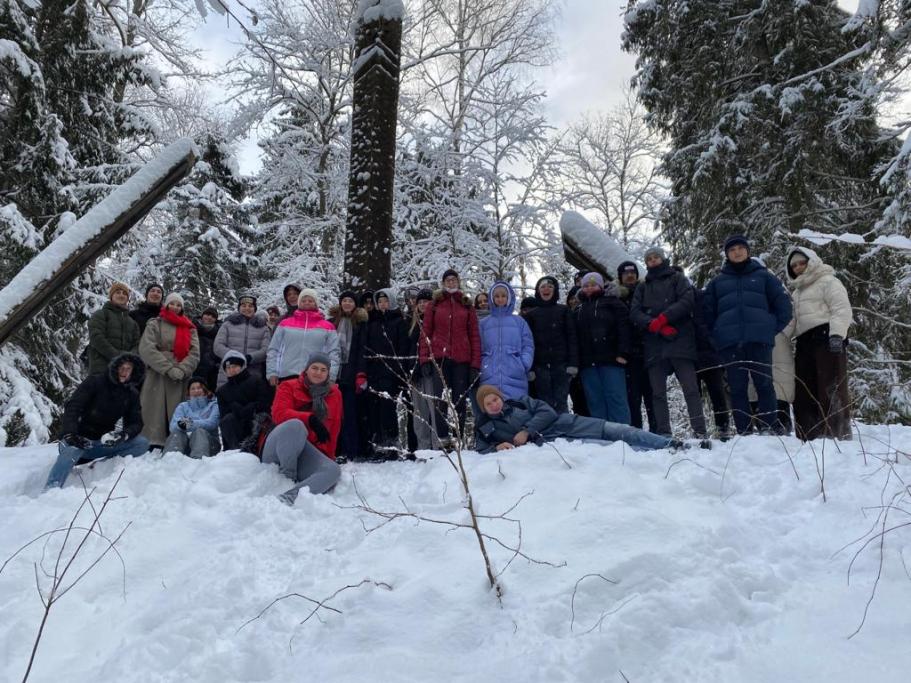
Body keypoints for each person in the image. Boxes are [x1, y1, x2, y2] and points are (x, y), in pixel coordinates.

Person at [703, 235, 793, 435]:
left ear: (747, 251)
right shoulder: (717, 282)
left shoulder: (764, 277)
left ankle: (768, 427)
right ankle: (744, 432)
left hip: (759, 341)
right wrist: (717, 337)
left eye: (740, 248)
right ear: (727, 254)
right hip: (730, 344)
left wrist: (769, 329)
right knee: (737, 389)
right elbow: (706, 315)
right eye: (732, 249)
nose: (737, 252)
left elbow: (784, 307)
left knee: (764, 385)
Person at [630, 249, 707, 439]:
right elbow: (635, 312)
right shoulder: (642, 287)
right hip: (655, 344)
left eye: (656, 257)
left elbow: (687, 300)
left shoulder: (677, 278)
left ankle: (700, 432)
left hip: (681, 340)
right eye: (649, 258)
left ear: (663, 259)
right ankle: (664, 433)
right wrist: (653, 325)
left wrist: (664, 318)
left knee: (690, 389)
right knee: (658, 393)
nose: (653, 261)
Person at [473, 385, 678, 455]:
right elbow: (480, 449)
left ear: (500, 397)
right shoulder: (485, 427)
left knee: (619, 430)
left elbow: (548, 412)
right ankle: (661, 454)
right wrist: (497, 448)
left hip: (567, 423)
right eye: (488, 404)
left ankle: (669, 444)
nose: (494, 404)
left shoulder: (520, 402)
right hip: (558, 442)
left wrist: (526, 430)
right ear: (483, 408)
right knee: (611, 447)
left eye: (495, 399)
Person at [46, 354, 149, 489]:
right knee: (71, 449)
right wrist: (70, 433)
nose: (124, 372)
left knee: (141, 443)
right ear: (115, 368)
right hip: (77, 439)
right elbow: (73, 407)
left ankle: (101, 466)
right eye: (121, 368)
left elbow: (136, 423)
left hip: (102, 444)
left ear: (133, 372)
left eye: (128, 369)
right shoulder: (95, 381)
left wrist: (123, 435)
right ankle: (51, 489)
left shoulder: (132, 394)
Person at [783, 246, 853, 440]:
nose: (798, 267)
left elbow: (841, 308)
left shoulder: (828, 281)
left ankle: (838, 435)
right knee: (805, 390)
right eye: (794, 265)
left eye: (801, 263)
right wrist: (777, 337)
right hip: (805, 342)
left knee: (831, 388)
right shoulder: (797, 293)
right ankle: (809, 437)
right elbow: (793, 322)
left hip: (827, 338)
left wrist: (837, 335)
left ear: (811, 261)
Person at [265, 353, 342, 504]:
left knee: (333, 470)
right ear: (306, 369)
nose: (318, 373)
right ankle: (285, 479)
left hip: (307, 451)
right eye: (314, 368)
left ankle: (287, 498)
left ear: (328, 373)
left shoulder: (335, 394)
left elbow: (333, 430)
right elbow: (278, 414)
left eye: (323, 370)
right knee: (296, 425)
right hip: (278, 448)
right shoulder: (288, 386)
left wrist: (327, 459)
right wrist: (309, 419)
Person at [419, 268, 482, 445]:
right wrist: (424, 359)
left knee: (459, 400)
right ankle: (443, 439)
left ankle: (459, 438)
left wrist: (475, 365)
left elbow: (475, 336)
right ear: (443, 283)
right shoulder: (435, 305)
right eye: (448, 280)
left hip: (462, 360)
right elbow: (425, 334)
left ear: (458, 282)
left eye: (454, 280)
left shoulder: (466, 304)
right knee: (441, 401)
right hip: (440, 359)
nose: (451, 283)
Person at [139, 292, 200, 448]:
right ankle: (153, 440)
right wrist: (167, 368)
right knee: (155, 408)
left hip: (180, 375)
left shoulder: (189, 327)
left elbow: (194, 353)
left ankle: (177, 438)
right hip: (158, 373)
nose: (175, 307)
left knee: (178, 407)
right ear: (166, 305)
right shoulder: (155, 324)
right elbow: (147, 348)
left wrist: (182, 369)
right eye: (172, 303)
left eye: (179, 305)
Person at [575, 272, 632, 424]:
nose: (589, 288)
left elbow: (624, 328)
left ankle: (622, 434)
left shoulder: (614, 303)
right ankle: (602, 436)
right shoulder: (580, 309)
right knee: (595, 399)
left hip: (612, 359)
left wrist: (623, 352)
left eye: (593, 285)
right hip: (588, 363)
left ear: (601, 285)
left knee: (616, 397)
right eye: (586, 286)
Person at [523, 276, 578, 414]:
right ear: (538, 291)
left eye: (550, 286)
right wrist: (530, 368)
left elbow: (572, 337)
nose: (546, 289)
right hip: (540, 366)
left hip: (562, 365)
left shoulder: (564, 311)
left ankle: (564, 432)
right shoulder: (530, 315)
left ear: (555, 290)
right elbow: (528, 343)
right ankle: (549, 434)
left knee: (561, 401)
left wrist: (573, 363)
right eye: (542, 286)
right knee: (544, 403)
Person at [363, 288, 407, 455]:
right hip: (374, 372)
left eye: (386, 301)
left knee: (388, 408)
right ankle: (379, 444)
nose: (382, 305)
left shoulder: (398, 322)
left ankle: (392, 444)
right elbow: (367, 347)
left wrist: (398, 371)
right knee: (374, 409)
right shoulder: (372, 322)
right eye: (380, 302)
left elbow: (401, 347)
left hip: (391, 372)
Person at [267, 288, 340, 386]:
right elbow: (274, 349)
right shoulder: (285, 324)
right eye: (303, 300)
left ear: (316, 303)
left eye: (310, 301)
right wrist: (272, 372)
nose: (307, 303)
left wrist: (331, 376)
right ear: (299, 302)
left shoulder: (328, 327)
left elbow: (333, 353)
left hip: (315, 378)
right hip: (286, 376)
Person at [478, 280, 534, 404]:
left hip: (515, 373)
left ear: (509, 298)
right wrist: (483, 365)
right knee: (493, 410)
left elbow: (528, 345)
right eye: (496, 296)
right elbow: (478, 348)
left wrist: (524, 363)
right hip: (489, 374)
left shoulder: (519, 322)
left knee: (517, 410)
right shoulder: (483, 323)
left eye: (503, 296)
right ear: (492, 299)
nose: (500, 299)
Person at [616, 262, 656, 431]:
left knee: (653, 396)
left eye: (633, 272)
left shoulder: (647, 292)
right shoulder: (615, 297)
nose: (630, 275)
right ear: (620, 277)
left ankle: (658, 430)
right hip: (628, 356)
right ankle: (636, 432)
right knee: (633, 398)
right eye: (626, 273)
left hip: (650, 351)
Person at [329, 290, 368, 461]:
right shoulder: (331, 323)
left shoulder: (360, 324)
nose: (347, 304)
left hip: (351, 374)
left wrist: (361, 373)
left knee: (350, 413)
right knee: (333, 413)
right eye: (344, 300)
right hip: (332, 374)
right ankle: (334, 449)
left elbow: (362, 351)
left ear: (355, 305)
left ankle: (350, 450)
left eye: (350, 301)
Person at [692, 285, 732, 438]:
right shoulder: (677, 301)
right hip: (690, 356)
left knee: (717, 393)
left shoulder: (702, 298)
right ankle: (699, 430)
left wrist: (712, 342)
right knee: (694, 396)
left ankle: (723, 428)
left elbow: (715, 320)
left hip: (710, 354)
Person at [216, 351, 272, 451]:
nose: (231, 370)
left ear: (242, 366)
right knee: (227, 420)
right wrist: (234, 408)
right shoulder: (222, 391)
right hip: (235, 425)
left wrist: (251, 407)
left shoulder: (257, 381)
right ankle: (235, 451)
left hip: (255, 421)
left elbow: (265, 402)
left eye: (234, 366)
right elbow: (223, 413)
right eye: (228, 368)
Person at [404, 289, 438, 450]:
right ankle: (423, 448)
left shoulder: (437, 321)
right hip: (415, 373)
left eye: (426, 301)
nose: (423, 305)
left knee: (435, 411)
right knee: (420, 414)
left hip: (432, 372)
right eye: (420, 302)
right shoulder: (412, 324)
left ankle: (438, 447)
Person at [214, 294, 271, 387]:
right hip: (228, 372)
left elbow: (266, 350)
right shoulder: (228, 324)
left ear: (255, 309)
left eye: (250, 306)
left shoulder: (263, 328)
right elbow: (218, 346)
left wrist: (250, 357)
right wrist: (234, 357)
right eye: (243, 306)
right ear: (239, 308)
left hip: (253, 373)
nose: (247, 308)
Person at [87, 282, 140, 376]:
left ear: (127, 299)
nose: (121, 295)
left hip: (123, 373)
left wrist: (128, 358)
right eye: (118, 292)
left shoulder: (133, 323)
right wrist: (117, 356)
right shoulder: (101, 314)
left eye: (124, 294)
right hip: (101, 370)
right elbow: (96, 337)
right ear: (111, 296)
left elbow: (137, 344)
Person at [163, 378, 220, 458]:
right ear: (188, 392)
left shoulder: (213, 406)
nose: (196, 391)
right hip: (186, 445)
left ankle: (198, 461)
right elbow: (173, 426)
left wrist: (189, 423)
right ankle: (169, 460)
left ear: (205, 390)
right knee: (177, 433)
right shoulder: (182, 406)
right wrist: (188, 424)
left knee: (199, 432)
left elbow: (211, 423)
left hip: (209, 445)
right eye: (192, 388)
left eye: (199, 388)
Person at [565, 285, 589, 417]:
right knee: (577, 397)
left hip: (586, 361)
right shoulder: (566, 315)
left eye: (576, 298)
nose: (574, 301)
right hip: (572, 363)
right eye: (571, 298)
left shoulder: (585, 314)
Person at [193, 306, 221, 392]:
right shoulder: (192, 328)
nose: (209, 317)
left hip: (212, 371)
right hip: (194, 368)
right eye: (207, 314)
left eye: (213, 316)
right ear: (202, 315)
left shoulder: (219, 332)